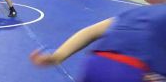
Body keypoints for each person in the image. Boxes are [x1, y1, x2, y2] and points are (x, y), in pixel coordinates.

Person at [30, 6, 166, 82]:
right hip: (128, 70)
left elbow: (89, 32)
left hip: (95, 64)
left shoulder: (143, 13)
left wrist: (57, 56)